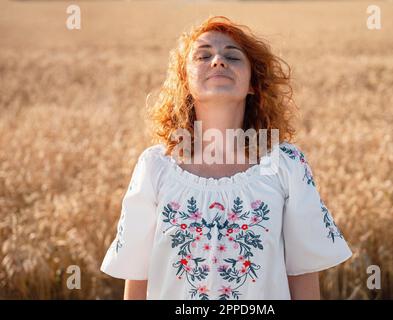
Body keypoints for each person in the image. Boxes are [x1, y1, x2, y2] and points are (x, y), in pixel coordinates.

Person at [100, 16, 352, 300]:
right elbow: (137, 279)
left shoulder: (286, 164)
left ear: (252, 85)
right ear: (185, 82)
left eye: (232, 56)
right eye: (203, 55)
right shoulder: (155, 166)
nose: (218, 61)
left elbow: (302, 277)